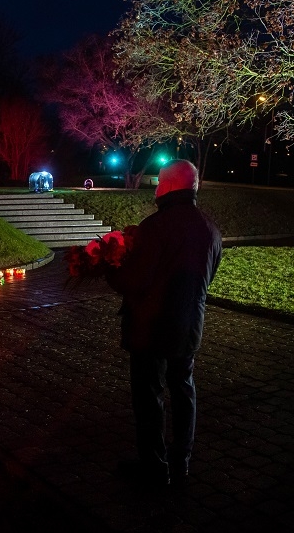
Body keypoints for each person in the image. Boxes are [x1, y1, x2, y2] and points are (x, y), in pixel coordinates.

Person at [106, 159, 221, 486]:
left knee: (148, 395)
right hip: (189, 326)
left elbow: (136, 281)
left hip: (150, 327)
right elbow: (208, 277)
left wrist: (110, 270)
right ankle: (181, 460)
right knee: (183, 389)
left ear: (170, 186)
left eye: (158, 183)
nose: (155, 189)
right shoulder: (210, 229)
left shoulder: (155, 228)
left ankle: (155, 467)